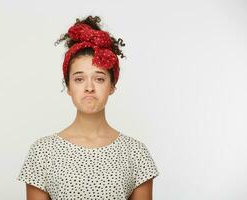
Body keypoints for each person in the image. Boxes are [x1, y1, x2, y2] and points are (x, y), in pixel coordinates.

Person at [17, 15, 159, 200]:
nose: (89, 87)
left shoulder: (136, 153)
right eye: (79, 79)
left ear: (112, 86)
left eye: (99, 78)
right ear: (68, 87)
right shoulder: (42, 152)